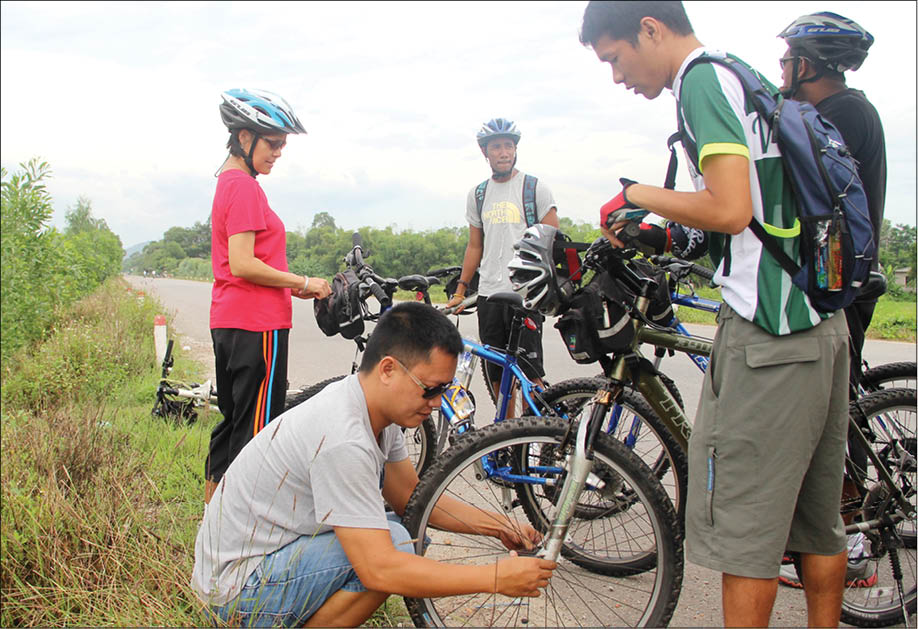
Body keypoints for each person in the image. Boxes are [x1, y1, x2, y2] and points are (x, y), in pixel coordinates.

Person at [579, 2, 850, 626]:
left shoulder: (701, 80)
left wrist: (635, 196)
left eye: (616, 58)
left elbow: (727, 207)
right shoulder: (743, 75)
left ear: (650, 29)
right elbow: (751, 209)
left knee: (747, 535)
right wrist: (669, 231)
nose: (618, 77)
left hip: (770, 336)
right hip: (816, 322)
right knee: (816, 525)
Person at [191, 302, 556, 627]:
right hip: (236, 595)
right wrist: (494, 578)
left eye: (445, 389)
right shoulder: (343, 437)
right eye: (430, 389)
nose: (437, 401)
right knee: (396, 546)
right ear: (387, 369)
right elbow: (379, 568)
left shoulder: (372, 408)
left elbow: (411, 498)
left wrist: (499, 526)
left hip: (262, 563)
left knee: (409, 529)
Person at [775, 11, 887, 590]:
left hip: (841, 284)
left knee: (829, 421)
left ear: (806, 65)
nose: (780, 69)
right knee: (833, 412)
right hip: (845, 281)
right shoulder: (850, 110)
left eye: (786, 59)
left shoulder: (836, 113)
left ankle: (857, 545)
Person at [206, 88, 331, 504]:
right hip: (256, 325)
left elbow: (246, 263)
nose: (278, 153)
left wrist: (288, 282)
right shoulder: (243, 187)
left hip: (230, 321)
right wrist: (303, 282)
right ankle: (242, 541)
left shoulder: (228, 182)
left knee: (234, 425)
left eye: (282, 145)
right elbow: (242, 263)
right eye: (273, 143)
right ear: (244, 138)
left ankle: (213, 525)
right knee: (257, 436)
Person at [446, 118, 560, 404]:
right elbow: (475, 246)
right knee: (497, 375)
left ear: (515, 149)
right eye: (496, 147)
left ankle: (535, 439)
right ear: (486, 152)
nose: (504, 152)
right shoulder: (479, 194)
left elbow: (553, 241)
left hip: (524, 296)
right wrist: (461, 290)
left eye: (508, 146)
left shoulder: (534, 189)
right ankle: (506, 442)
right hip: (489, 294)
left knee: (530, 373)